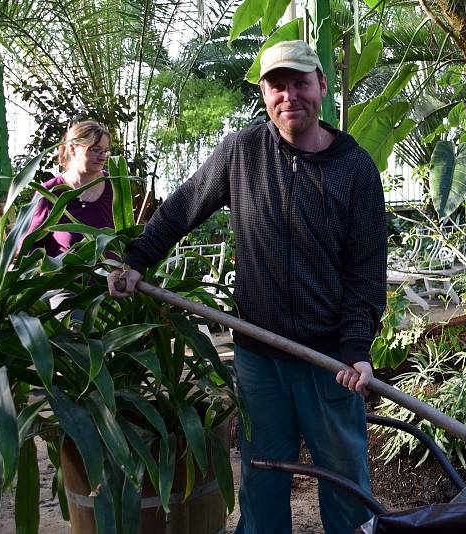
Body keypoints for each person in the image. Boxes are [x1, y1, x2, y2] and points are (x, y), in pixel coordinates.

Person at [107, 40, 387, 534]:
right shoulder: (241, 152)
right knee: (262, 481)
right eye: (276, 85)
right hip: (259, 357)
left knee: (347, 488)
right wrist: (137, 259)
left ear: (320, 85)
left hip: (330, 364)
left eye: (299, 82)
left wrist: (357, 347)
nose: (288, 95)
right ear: (264, 93)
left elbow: (366, 272)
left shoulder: (356, 168)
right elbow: (184, 205)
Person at [26, 120, 114, 256]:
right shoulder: (50, 192)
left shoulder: (114, 186)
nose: (102, 157)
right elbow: (30, 247)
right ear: (73, 149)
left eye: (105, 151)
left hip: (111, 275)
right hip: (64, 275)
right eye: (95, 149)